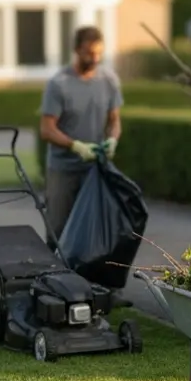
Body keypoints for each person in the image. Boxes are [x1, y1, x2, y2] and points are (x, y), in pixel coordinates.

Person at [39, 25, 122, 248]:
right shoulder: (59, 84)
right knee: (58, 228)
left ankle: (88, 280)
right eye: (89, 53)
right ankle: (54, 276)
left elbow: (114, 120)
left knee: (93, 228)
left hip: (95, 168)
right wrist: (75, 146)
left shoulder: (109, 80)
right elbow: (47, 129)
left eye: (98, 53)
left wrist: (112, 139)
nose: (94, 58)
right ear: (76, 50)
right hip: (63, 168)